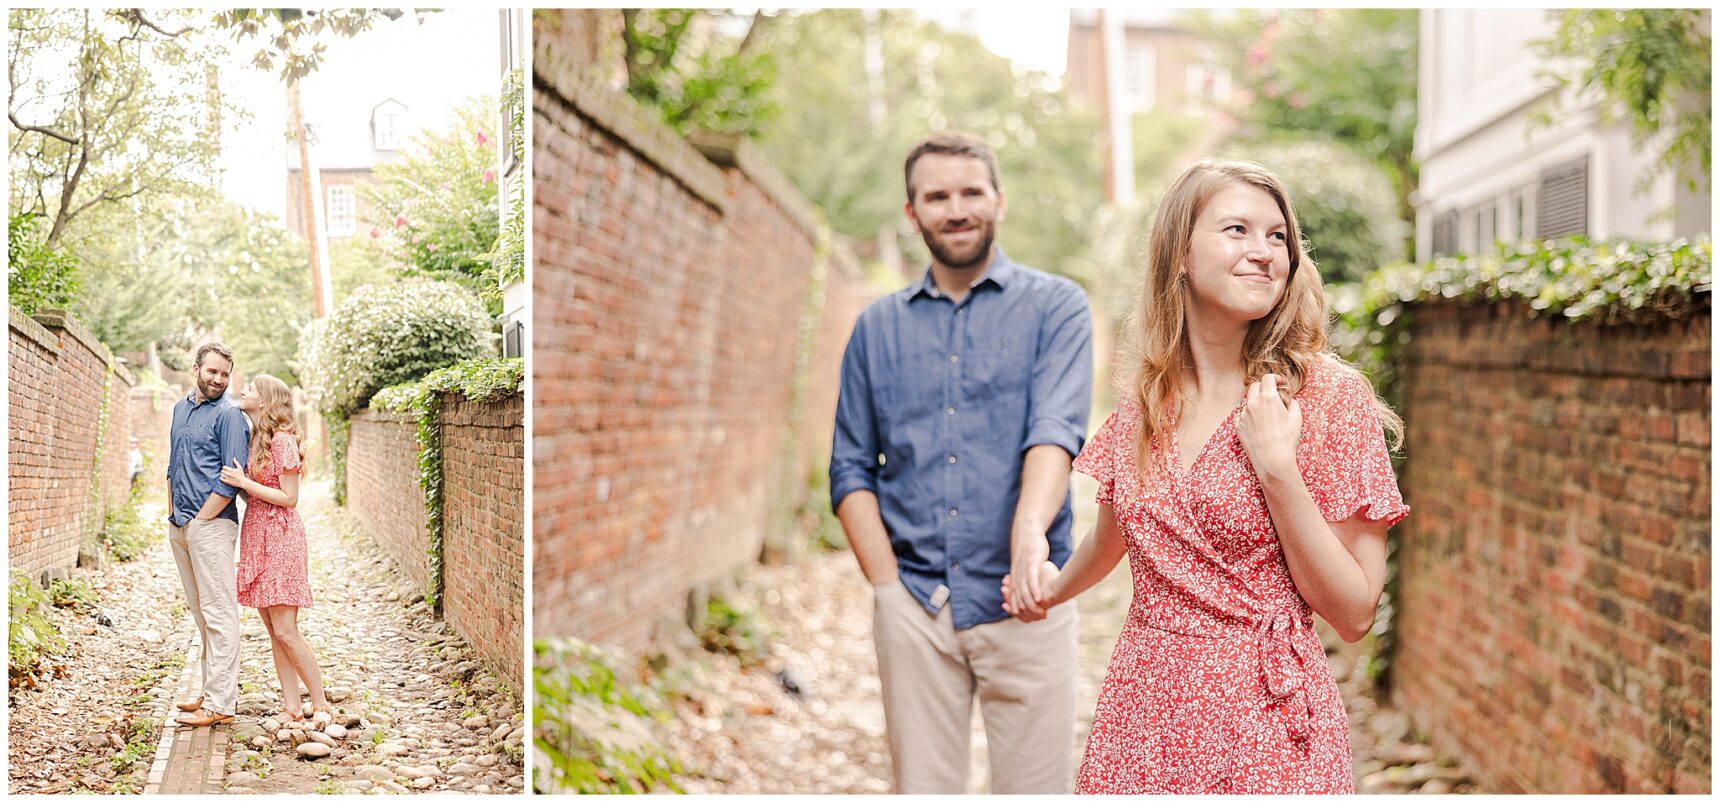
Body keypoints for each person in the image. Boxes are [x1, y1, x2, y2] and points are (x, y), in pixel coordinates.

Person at [1001, 159, 1410, 793]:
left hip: (1266, 722)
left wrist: (1279, 471)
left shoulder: (1326, 400)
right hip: (1143, 715)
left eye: (1278, 237)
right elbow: (1115, 538)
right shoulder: (1144, 403)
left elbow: (1355, 611)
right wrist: (1051, 591)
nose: (1264, 252)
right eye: (1238, 230)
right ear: (1181, 256)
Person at [829, 131, 1094, 793]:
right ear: (912, 213)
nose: (957, 208)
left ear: (999, 201)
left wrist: (1028, 541)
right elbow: (850, 466)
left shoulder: (1057, 307)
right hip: (916, 603)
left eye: (971, 191)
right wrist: (888, 589)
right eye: (936, 195)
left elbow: (1054, 433)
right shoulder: (875, 328)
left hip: (1027, 599)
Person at [219, 374, 332, 726]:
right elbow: (254, 491)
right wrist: (241, 485)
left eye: (250, 388)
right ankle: (292, 706)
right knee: (273, 628)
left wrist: (244, 482)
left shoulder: (282, 441)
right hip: (257, 532)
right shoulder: (257, 440)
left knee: (286, 629)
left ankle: (322, 704)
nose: (243, 391)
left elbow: (290, 498)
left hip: (281, 536)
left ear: (265, 400)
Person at [166, 341, 249, 728]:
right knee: (201, 614)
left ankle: (221, 704)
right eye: (213, 371)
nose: (219, 379)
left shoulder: (230, 415)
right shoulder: (180, 409)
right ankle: (208, 689)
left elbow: (231, 479)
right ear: (195, 368)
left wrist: (200, 521)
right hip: (180, 524)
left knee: (219, 613)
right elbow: (172, 467)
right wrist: (174, 516)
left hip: (212, 526)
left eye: (225, 374)